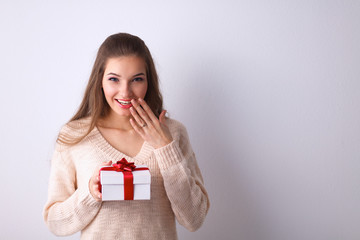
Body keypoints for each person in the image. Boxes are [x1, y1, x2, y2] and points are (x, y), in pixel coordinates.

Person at [43, 33, 209, 239]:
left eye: (137, 79)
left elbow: (194, 219)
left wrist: (166, 148)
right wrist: (90, 194)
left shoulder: (174, 133)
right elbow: (55, 223)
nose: (125, 92)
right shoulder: (74, 135)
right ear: (100, 81)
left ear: (148, 81)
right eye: (114, 79)